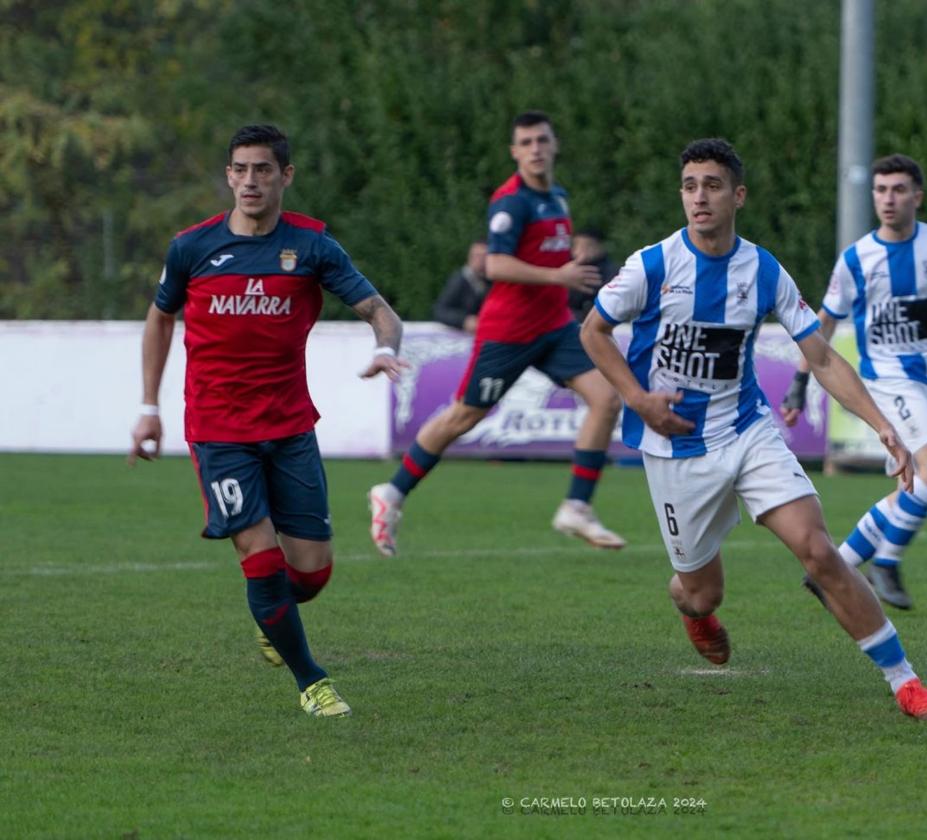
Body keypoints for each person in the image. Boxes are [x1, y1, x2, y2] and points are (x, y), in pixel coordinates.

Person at [581, 138, 927, 722]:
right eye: (689, 186)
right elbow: (594, 332)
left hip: (747, 431)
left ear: (738, 195)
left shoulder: (762, 269)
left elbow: (824, 357)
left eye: (711, 185)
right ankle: (694, 610)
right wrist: (638, 400)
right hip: (675, 447)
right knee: (701, 591)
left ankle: (905, 683)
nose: (698, 197)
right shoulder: (652, 265)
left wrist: (883, 425)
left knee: (820, 552)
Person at [128, 124, 406, 718]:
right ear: (228, 176)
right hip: (220, 431)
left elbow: (379, 309)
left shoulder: (311, 247)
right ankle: (313, 681)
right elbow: (159, 320)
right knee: (259, 557)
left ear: (285, 176)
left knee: (310, 574)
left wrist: (385, 346)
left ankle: (275, 616)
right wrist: (149, 408)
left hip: (290, 428)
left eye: (262, 169)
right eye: (240, 170)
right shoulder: (191, 248)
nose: (250, 181)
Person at [369, 111, 625, 556]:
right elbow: (494, 265)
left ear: (554, 144)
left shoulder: (557, 197)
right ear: (514, 152)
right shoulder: (511, 202)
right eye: (525, 143)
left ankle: (576, 507)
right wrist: (557, 278)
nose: (535, 149)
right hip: (509, 331)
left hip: (555, 326)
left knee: (606, 398)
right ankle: (391, 493)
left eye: (542, 140)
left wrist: (559, 283)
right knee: (463, 417)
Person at [783, 153, 927, 610]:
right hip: (884, 381)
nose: (888, 198)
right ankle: (886, 562)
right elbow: (821, 326)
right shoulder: (857, 259)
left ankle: (835, 568)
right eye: (881, 190)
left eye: (898, 189)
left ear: (917, 197)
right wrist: (799, 382)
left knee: (912, 488)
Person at [432, 239, 490, 333]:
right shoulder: (460, 280)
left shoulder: (492, 280)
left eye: (484, 256)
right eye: (476, 256)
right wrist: (463, 320)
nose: (480, 260)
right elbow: (440, 310)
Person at [567, 227, 618, 322]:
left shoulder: (611, 271)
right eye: (577, 246)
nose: (581, 251)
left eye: (587, 246)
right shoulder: (567, 269)